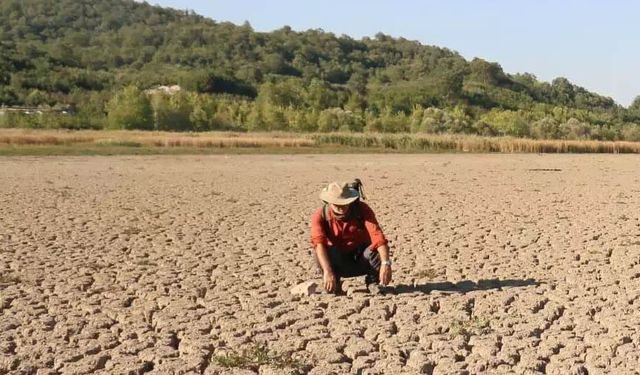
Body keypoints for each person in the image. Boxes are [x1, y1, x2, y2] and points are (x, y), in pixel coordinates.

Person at [310, 181, 392, 294]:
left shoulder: (362, 210)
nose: (341, 208)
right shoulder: (321, 215)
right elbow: (318, 243)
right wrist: (327, 271)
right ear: (328, 202)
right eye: (336, 204)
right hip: (338, 261)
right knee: (320, 253)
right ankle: (334, 282)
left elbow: (378, 237)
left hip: (361, 258)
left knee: (377, 250)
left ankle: (373, 282)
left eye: (344, 204)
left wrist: (385, 263)